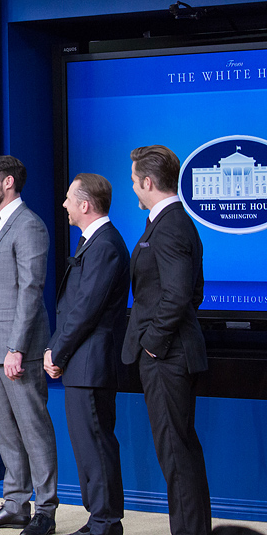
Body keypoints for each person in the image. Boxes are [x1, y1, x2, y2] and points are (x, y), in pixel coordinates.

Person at [0, 155, 58, 535]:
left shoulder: (29, 226)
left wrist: (16, 348)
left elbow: (30, 292)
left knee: (34, 429)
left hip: (19, 351)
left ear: (8, 182)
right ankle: (16, 504)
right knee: (6, 432)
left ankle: (46, 511)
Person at [123, 145, 211, 535]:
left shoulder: (171, 224)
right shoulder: (172, 221)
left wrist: (153, 343)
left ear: (147, 181)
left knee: (177, 455)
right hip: (170, 354)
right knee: (179, 452)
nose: (134, 191)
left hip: (167, 358)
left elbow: (179, 295)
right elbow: (193, 293)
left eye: (134, 183)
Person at [44, 174, 129, 535]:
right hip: (82, 363)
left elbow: (85, 310)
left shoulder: (106, 245)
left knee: (96, 444)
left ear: (85, 204)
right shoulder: (92, 242)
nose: (63, 204)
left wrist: (56, 351)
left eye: (68, 199)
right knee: (87, 446)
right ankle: (99, 519)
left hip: (91, 363)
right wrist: (55, 348)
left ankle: (106, 523)